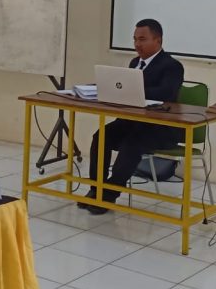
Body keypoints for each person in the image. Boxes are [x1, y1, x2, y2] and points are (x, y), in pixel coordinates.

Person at [79, 19, 185, 214]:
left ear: (158, 40)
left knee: (132, 145)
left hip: (159, 128)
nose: (137, 44)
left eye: (142, 39)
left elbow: (166, 93)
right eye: (135, 39)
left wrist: (133, 89)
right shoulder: (135, 63)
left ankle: (109, 194)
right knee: (101, 136)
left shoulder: (172, 66)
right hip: (133, 122)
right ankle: (96, 188)